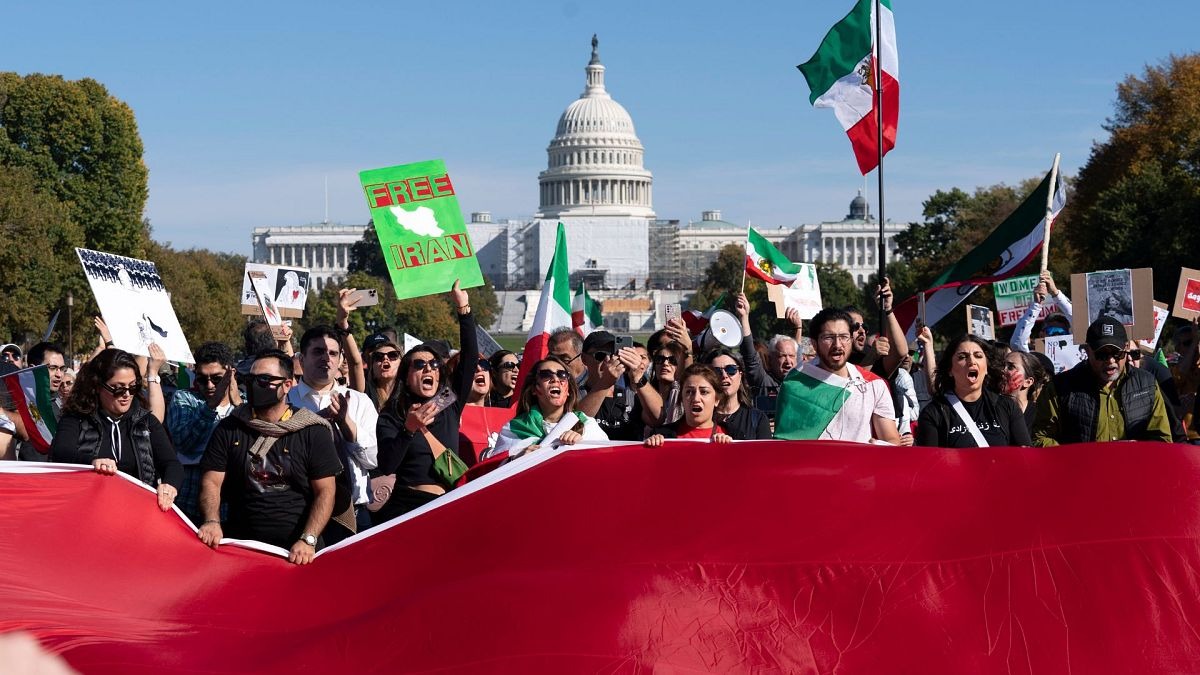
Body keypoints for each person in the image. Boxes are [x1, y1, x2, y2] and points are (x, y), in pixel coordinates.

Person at [197, 350, 343, 563]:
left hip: (298, 553)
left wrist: (308, 539)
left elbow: (326, 491)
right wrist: (212, 521)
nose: (256, 386)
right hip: (241, 548)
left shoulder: (313, 430)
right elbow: (211, 481)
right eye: (251, 379)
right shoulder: (230, 428)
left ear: (287, 385)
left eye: (265, 380)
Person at [371, 281, 476, 523]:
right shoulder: (393, 415)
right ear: (406, 378)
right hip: (409, 509)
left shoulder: (448, 402)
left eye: (434, 364)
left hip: (449, 503)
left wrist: (464, 310)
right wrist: (408, 429)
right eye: (419, 365)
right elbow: (387, 464)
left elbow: (469, 360)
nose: (428, 368)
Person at [48, 348, 182, 510]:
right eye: (118, 388)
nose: (126, 394)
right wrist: (92, 463)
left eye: (132, 387)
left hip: (137, 512)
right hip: (87, 510)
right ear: (98, 386)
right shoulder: (76, 418)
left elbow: (172, 464)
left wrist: (169, 486)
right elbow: (61, 452)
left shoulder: (146, 422)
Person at [289, 326, 378, 537]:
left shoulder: (358, 401)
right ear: (301, 360)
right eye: (318, 351)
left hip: (353, 514)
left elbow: (373, 460)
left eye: (333, 353)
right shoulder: (286, 401)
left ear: (340, 360)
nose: (326, 358)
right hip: (300, 514)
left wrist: (346, 424)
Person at [1033, 317, 1173, 446]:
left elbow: (1162, 440)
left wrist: (1137, 450)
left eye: (1117, 353)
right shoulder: (1060, 387)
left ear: (1126, 348)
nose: (1111, 361)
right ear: (1088, 351)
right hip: (1081, 472)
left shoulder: (1147, 384)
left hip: (1133, 471)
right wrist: (1076, 457)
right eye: (1102, 354)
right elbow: (1038, 437)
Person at [773, 308, 900, 444]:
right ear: (814, 344)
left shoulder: (873, 385)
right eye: (829, 338)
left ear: (851, 340)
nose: (838, 345)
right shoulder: (796, 383)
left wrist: (878, 446)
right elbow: (785, 444)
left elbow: (891, 440)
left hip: (859, 464)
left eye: (844, 337)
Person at [166, 341, 240, 525]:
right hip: (188, 500)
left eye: (216, 378)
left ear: (231, 374)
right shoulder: (185, 398)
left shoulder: (244, 406)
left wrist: (239, 406)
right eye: (201, 379)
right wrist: (210, 407)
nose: (209, 385)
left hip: (231, 505)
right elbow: (183, 442)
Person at [916, 336, 1032, 447]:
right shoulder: (933, 413)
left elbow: (1025, 457)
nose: (972, 361)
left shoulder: (1008, 407)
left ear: (986, 367)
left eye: (978, 356)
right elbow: (930, 463)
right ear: (949, 369)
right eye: (962, 357)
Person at [489, 356, 608, 458]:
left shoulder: (588, 425)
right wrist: (517, 459)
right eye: (546, 375)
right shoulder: (513, 429)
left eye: (562, 375)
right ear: (534, 389)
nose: (555, 379)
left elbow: (606, 461)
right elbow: (495, 473)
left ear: (569, 391)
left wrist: (582, 445)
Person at [577, 331, 655, 441]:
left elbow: (657, 418)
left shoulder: (630, 393)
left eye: (613, 354)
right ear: (584, 359)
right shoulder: (576, 393)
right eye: (600, 355)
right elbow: (576, 422)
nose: (608, 360)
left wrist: (639, 377)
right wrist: (605, 383)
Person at [644, 364, 734, 446]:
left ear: (717, 400)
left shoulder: (733, 435)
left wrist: (731, 448)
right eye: (689, 392)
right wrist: (652, 448)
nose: (696, 399)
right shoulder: (663, 436)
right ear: (682, 398)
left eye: (704, 392)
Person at [701, 347, 770, 439]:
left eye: (730, 369)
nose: (724, 375)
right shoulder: (699, 417)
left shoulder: (758, 419)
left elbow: (765, 452)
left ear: (740, 375)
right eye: (716, 371)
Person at [1010, 270, 1073, 353]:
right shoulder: (1037, 360)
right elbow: (1017, 344)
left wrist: (1055, 293)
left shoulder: (1078, 353)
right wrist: (1036, 305)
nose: (1057, 335)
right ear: (1041, 335)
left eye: (1062, 332)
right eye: (1052, 330)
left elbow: (1079, 323)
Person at [1002, 350, 1050, 437]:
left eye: (1010, 367)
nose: (1002, 370)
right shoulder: (989, 408)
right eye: (1003, 365)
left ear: (1028, 382)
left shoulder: (1039, 415)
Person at [362, 332, 402, 412]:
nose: (385, 358)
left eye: (393, 355)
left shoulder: (409, 394)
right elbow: (355, 363)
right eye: (378, 356)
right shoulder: (364, 390)